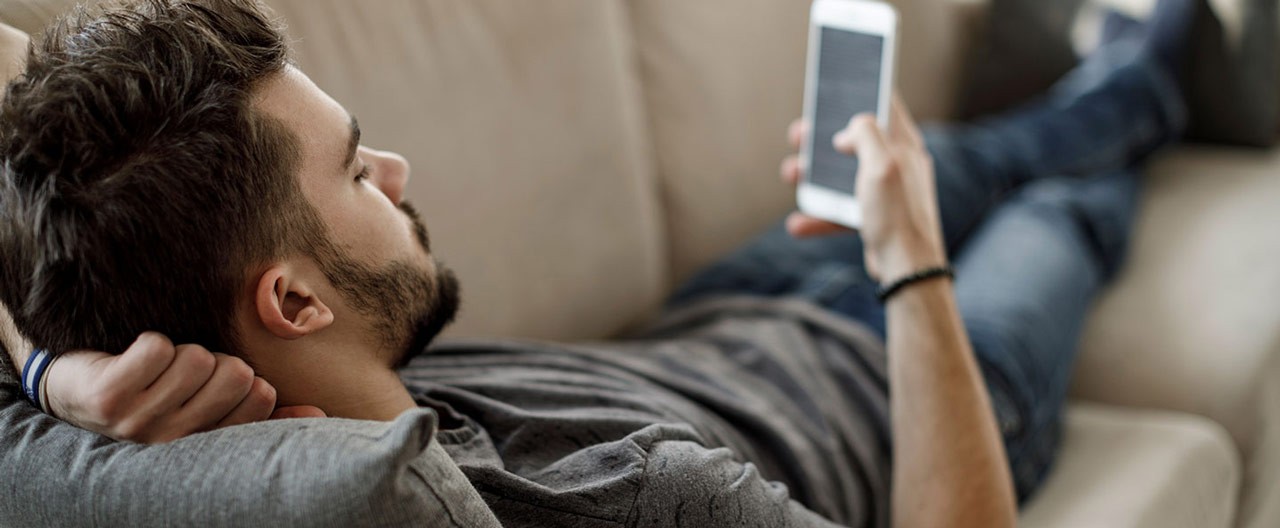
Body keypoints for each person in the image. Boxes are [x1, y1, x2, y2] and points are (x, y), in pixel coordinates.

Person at [0, 0, 1245, 526]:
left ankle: (1105, 69)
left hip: (714, 323)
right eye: (355, 164)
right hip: (898, 382)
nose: (397, 170)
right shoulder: (638, 496)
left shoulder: (136, 424)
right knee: (1063, 204)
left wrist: (53, 376)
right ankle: (1151, 66)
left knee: (945, 155)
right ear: (293, 297)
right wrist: (910, 267)